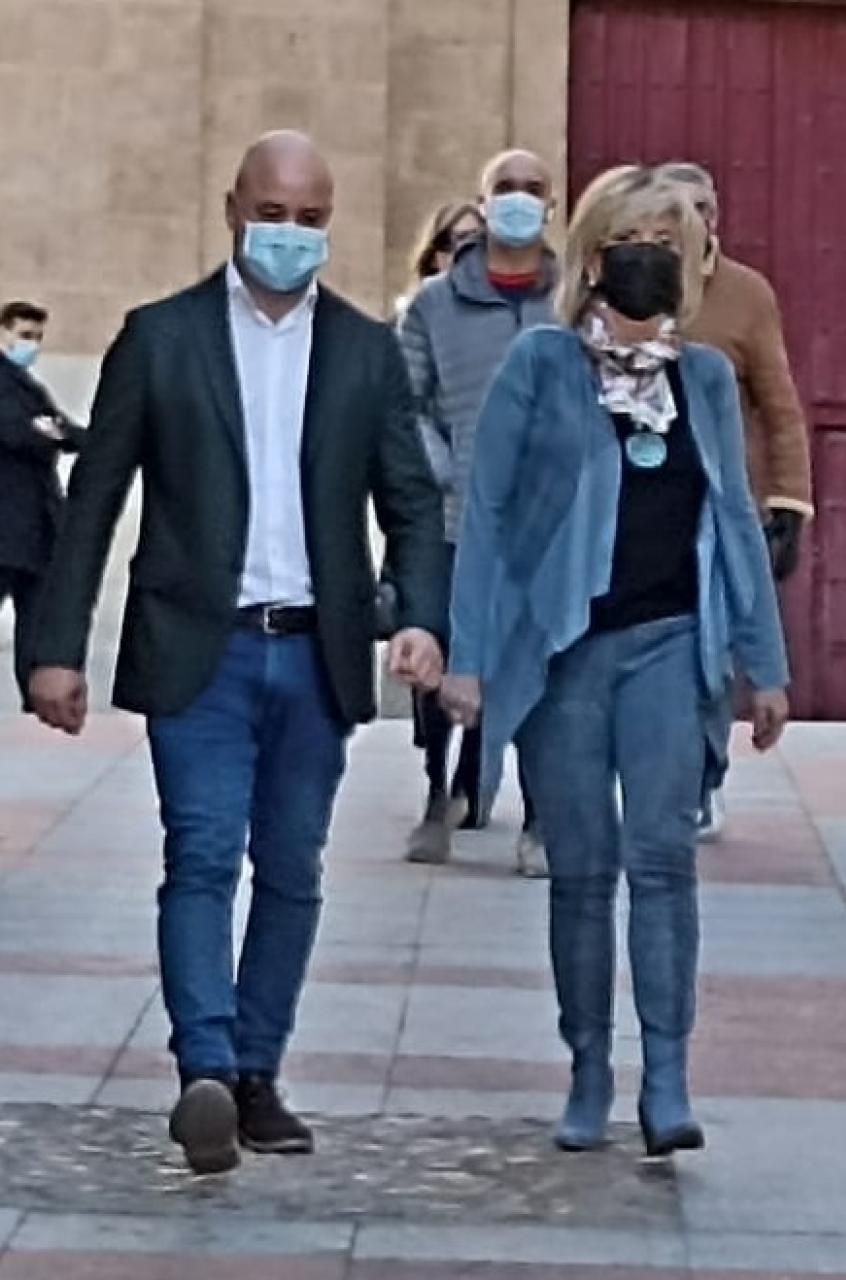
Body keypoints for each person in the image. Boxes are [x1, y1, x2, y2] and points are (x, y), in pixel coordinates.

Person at [27, 131, 448, 1176]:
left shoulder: (363, 351)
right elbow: (94, 500)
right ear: (232, 210)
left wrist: (423, 616)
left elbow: (410, 499)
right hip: (198, 649)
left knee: (293, 866)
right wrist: (55, 648)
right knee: (204, 852)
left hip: (314, 652)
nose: (289, 235)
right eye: (272, 214)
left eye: (311, 219)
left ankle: (257, 1071)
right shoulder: (160, 339)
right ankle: (205, 1070)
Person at [437, 165, 789, 1158]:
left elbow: (734, 518)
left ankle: (666, 1077)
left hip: (670, 647)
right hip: (563, 656)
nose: (649, 260)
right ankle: (589, 1068)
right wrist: (470, 656)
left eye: (668, 245)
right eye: (632, 241)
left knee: (664, 861)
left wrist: (763, 661)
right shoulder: (541, 364)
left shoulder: (703, 379)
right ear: (593, 257)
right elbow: (487, 512)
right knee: (582, 870)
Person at [398, 151, 560, 874]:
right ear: (483, 200)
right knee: (441, 660)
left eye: (533, 189)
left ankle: (540, 816)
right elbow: (403, 403)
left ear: (551, 206)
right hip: (455, 520)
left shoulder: (573, 302)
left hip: (548, 528)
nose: (518, 200)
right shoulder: (434, 305)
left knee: (542, 668)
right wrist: (446, 467)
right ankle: (440, 795)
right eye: (505, 188)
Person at [658, 162, 813, 841]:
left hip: (720, 504)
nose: (693, 220)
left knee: (711, 649)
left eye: (703, 207)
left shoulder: (747, 294)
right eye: (678, 209)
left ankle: (704, 776)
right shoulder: (634, 284)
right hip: (640, 500)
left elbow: (780, 407)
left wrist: (789, 503)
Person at [1, 300, 86, 704]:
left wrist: (54, 431)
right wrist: (47, 431)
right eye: (23, 335)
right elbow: (15, 432)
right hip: (7, 529)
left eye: (36, 337)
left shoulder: (27, 387)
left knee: (37, 628)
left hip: (35, 532)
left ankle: (36, 708)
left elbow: (66, 431)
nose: (30, 344)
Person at [395, 200, 484, 316]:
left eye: (479, 237)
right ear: (435, 259)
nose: (471, 247)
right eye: (462, 237)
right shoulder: (417, 316)